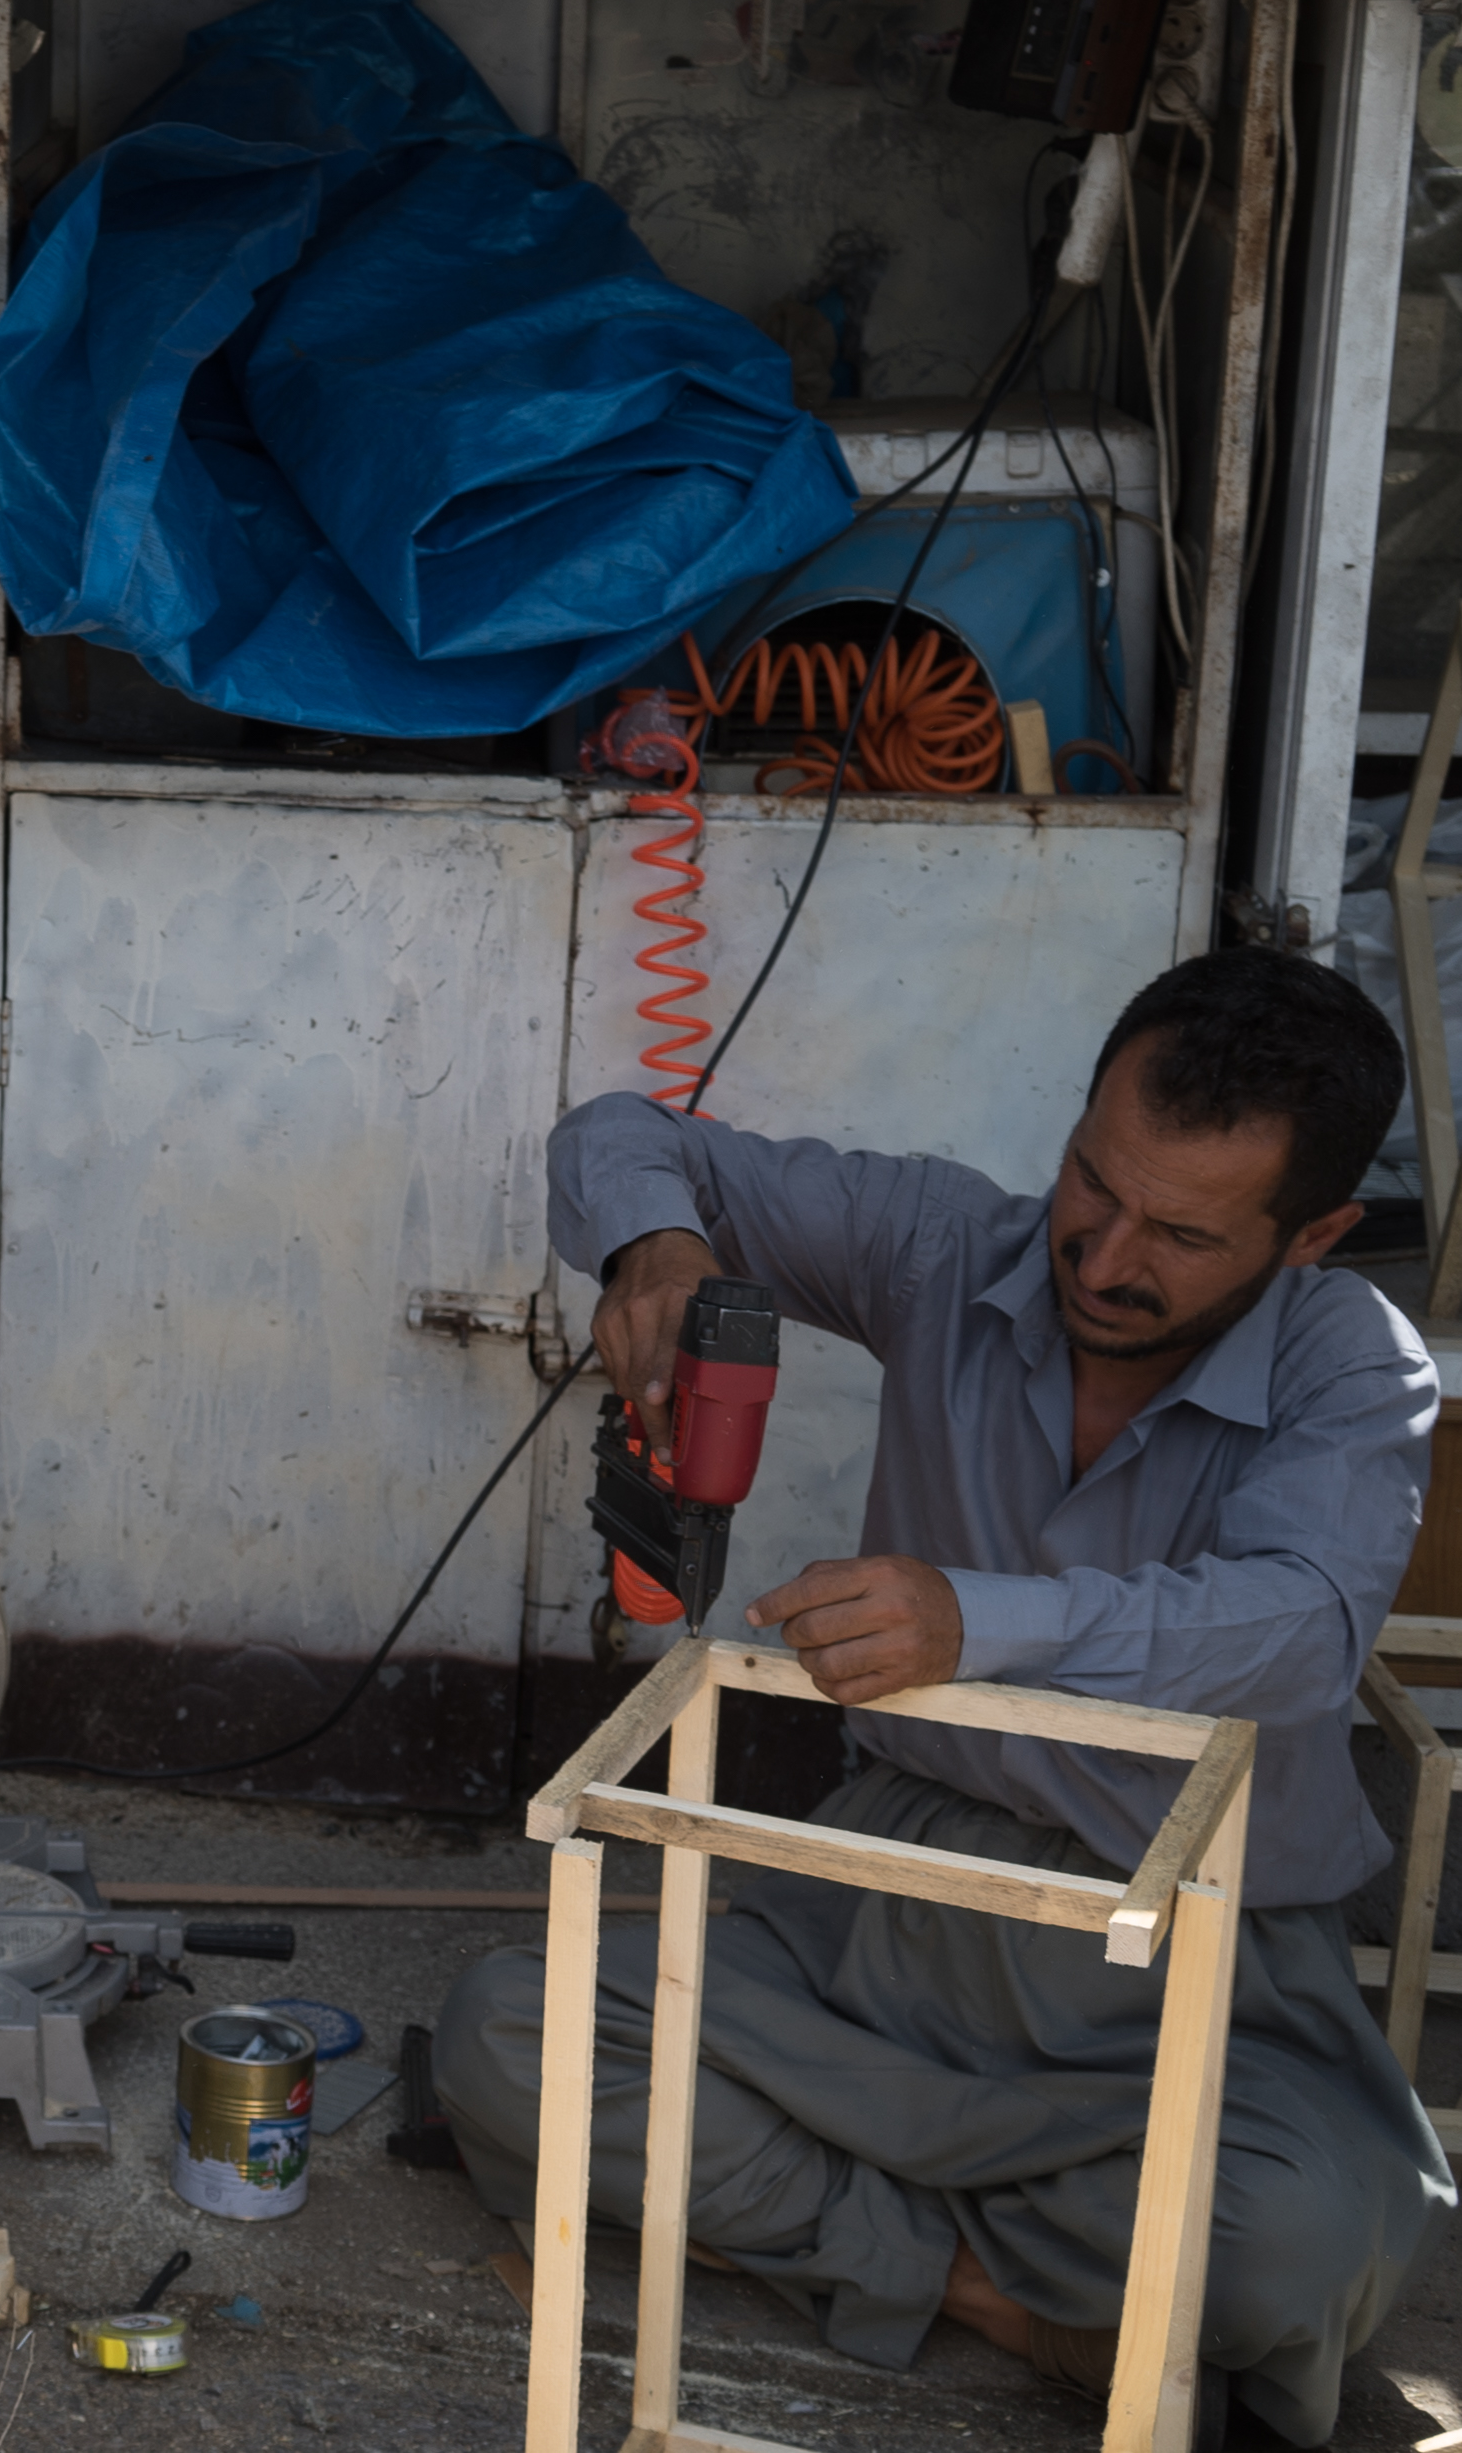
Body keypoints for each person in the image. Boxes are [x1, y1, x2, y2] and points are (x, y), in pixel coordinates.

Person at [435, 945, 1452, 2445]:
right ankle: (996, 2293)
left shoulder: (1352, 1364)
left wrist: (971, 1621)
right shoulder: (941, 1242)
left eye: (1180, 1232)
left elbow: (1298, 1629)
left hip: (1187, 1935)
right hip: (889, 1894)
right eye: (1091, 1185)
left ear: (1314, 1235)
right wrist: (655, 1246)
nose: (1104, 1259)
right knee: (507, 2035)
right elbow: (615, 1130)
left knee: (1295, 2249)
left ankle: (833, 2215)